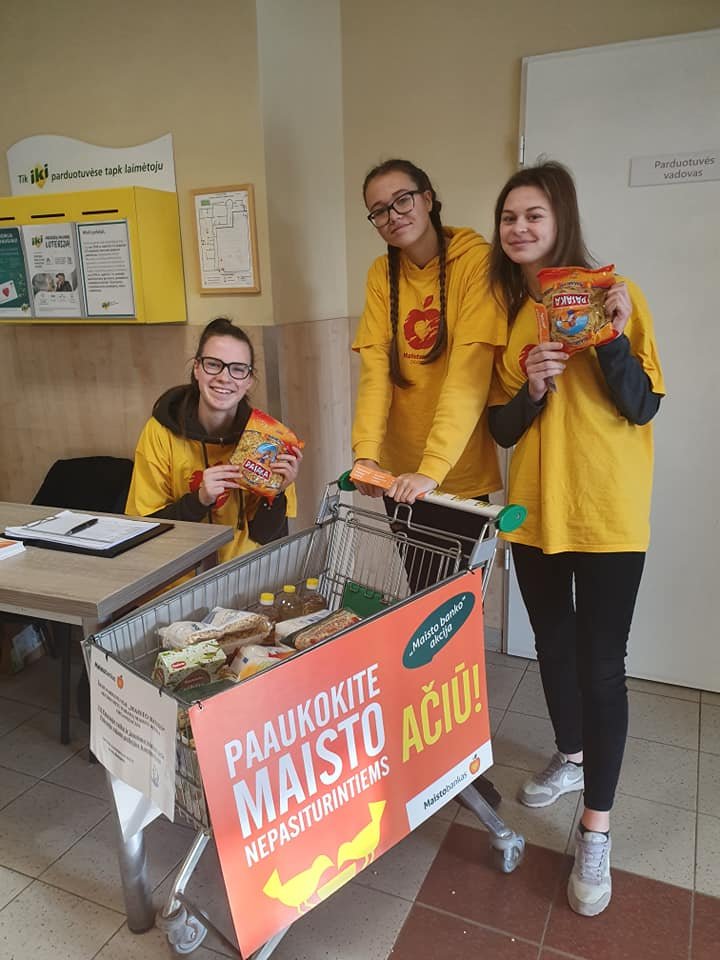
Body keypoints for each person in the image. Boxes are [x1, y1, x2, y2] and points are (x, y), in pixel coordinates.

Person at [486, 161, 664, 916]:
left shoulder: (619, 296)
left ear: (561, 219)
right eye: (509, 217)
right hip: (535, 512)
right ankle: (572, 754)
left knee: (601, 664)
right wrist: (532, 387)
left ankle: (597, 828)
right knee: (553, 647)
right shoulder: (515, 317)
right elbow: (500, 428)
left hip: (608, 513)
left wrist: (612, 339)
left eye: (533, 215)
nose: (519, 228)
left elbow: (642, 407)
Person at [351, 158, 506, 808]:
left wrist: (431, 469)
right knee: (423, 612)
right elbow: (375, 373)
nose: (393, 216)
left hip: (454, 477)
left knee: (456, 621)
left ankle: (465, 753)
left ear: (429, 196)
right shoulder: (380, 274)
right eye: (378, 210)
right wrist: (366, 455)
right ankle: (434, 745)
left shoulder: (474, 261)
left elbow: (469, 373)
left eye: (402, 199)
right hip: (399, 478)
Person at [126, 317, 302, 562]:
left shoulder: (267, 440)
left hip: (244, 571)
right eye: (213, 365)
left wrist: (277, 493)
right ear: (197, 368)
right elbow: (145, 531)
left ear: (249, 380)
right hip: (182, 574)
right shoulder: (160, 432)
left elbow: (266, 536)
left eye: (238, 369)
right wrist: (199, 500)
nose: (224, 377)